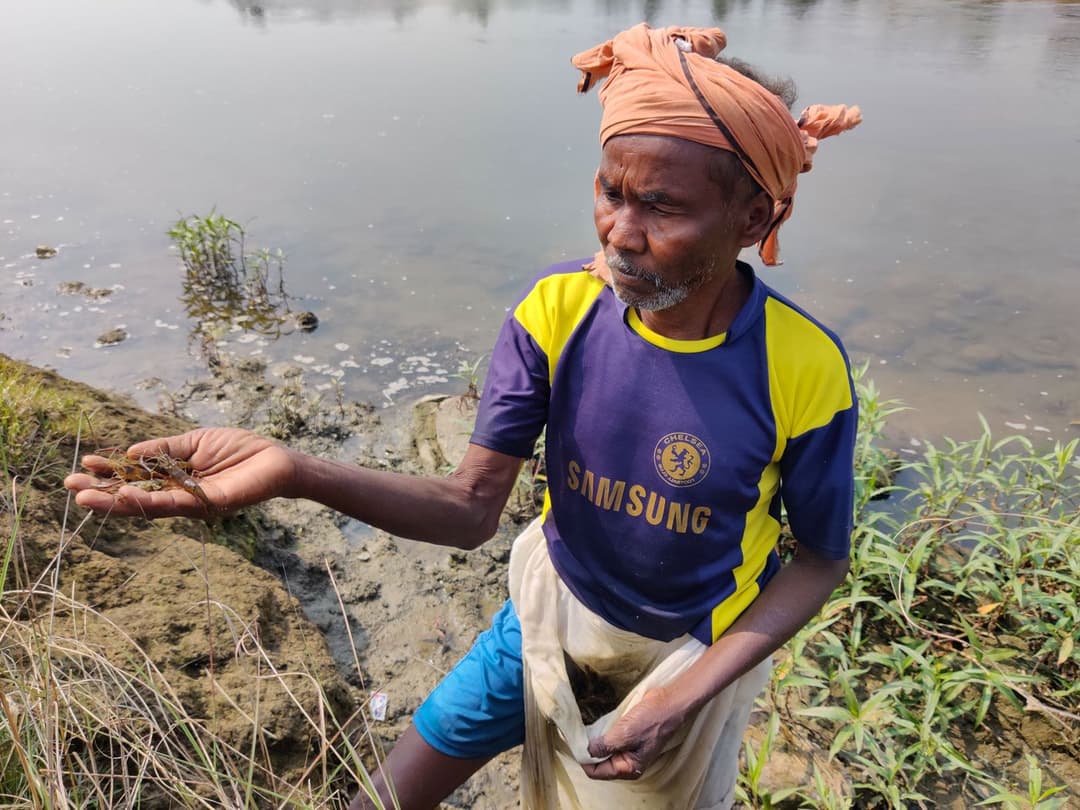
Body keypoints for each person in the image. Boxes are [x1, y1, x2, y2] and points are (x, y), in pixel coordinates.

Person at [66, 23, 861, 810]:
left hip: (680, 658)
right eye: (611, 193)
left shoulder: (799, 367)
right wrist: (294, 471)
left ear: (753, 220)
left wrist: (682, 696)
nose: (621, 233)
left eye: (663, 208)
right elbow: (470, 508)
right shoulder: (558, 311)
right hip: (546, 616)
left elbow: (820, 561)